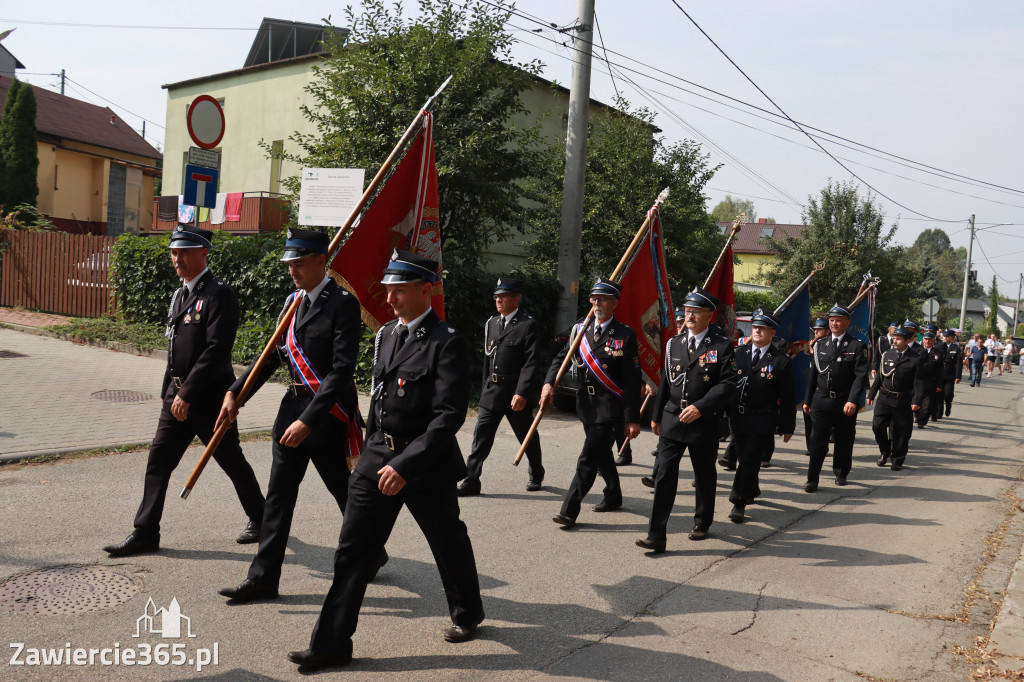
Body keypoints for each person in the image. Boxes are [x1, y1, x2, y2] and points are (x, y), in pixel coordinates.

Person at [288, 249, 484, 671]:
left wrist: (406, 464)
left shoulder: (446, 342)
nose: (390, 298)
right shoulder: (387, 335)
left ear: (425, 289)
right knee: (352, 550)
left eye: (399, 290)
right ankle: (332, 643)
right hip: (378, 455)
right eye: (388, 289)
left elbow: (448, 416)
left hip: (424, 463)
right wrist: (370, 450)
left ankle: (468, 613)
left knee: (447, 540)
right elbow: (379, 400)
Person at [217, 228, 379, 604]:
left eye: (300, 263)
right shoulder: (292, 302)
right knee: (277, 498)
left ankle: (371, 550)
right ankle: (263, 579)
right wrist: (235, 393)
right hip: (290, 411)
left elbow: (341, 371)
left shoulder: (342, 303)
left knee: (344, 492)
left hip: (324, 418)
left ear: (322, 261)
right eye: (290, 263)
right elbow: (272, 356)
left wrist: (309, 420)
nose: (293, 270)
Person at [103, 225, 265, 558]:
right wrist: (169, 394)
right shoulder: (180, 294)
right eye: (174, 252)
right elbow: (175, 349)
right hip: (175, 400)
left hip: (207, 401)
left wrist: (187, 393)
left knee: (231, 460)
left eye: (184, 252)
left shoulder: (219, 294)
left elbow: (217, 350)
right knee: (158, 462)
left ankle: (262, 518)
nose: (177, 258)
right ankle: (145, 532)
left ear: (203, 254)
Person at [636, 287, 737, 552]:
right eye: (688, 311)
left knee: (704, 474)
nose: (689, 316)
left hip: (703, 421)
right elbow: (666, 382)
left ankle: (702, 521)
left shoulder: (722, 346)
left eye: (696, 311)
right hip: (673, 417)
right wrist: (656, 416)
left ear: (708, 315)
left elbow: (728, 384)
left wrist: (701, 407)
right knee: (664, 476)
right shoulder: (674, 343)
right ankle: (656, 535)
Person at [540, 279, 641, 528]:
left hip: (610, 406)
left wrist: (632, 418)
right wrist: (548, 383)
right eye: (594, 299)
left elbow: (631, 380)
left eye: (604, 299)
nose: (598, 303)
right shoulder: (580, 330)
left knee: (587, 457)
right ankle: (614, 494)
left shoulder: (625, 335)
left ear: (615, 303)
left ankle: (569, 510)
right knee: (601, 452)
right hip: (586, 403)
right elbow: (561, 359)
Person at [458, 277, 544, 495]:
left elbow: (531, 362)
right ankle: (471, 479)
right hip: (492, 391)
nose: (498, 300)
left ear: (516, 299)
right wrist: (486, 386)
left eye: (503, 296)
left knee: (527, 436)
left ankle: (536, 472)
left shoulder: (527, 324)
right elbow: (489, 359)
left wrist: (522, 393)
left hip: (515, 392)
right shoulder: (492, 323)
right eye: (496, 296)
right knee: (481, 439)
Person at [725, 309, 794, 524]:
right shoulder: (738, 353)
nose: (757, 330)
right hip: (738, 416)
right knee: (744, 455)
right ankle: (751, 487)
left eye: (762, 328)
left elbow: (788, 396)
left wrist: (787, 426)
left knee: (748, 460)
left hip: (762, 418)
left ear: (772, 332)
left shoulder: (781, 360)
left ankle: (738, 502)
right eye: (755, 327)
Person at [803, 304, 869, 492]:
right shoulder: (820, 344)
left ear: (847, 322)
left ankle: (841, 472)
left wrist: (853, 400)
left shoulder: (857, 345)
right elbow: (813, 375)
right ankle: (812, 478)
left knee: (844, 440)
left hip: (844, 401)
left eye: (838, 320)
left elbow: (860, 376)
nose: (834, 323)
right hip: (821, 399)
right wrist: (807, 400)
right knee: (817, 442)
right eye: (831, 320)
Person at [867, 327, 924, 471]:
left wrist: (917, 401)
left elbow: (919, 382)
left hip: (903, 400)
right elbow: (880, 376)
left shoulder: (916, 358)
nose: (895, 341)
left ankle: (897, 459)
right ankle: (884, 450)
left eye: (898, 339)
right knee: (877, 426)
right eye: (894, 338)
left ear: (907, 340)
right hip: (884, 398)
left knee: (901, 432)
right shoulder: (887, 354)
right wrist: (871, 394)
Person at [801, 317, 830, 457]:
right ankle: (810, 446)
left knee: (820, 422)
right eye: (815, 330)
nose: (817, 332)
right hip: (808, 386)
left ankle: (821, 446)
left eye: (820, 329)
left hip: (822, 389)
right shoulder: (809, 346)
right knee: (807, 419)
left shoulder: (829, 346)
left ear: (827, 331)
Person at [915, 331, 943, 428]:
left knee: (927, 403)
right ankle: (917, 415)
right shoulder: (917, 351)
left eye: (930, 339)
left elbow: (940, 370)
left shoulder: (937, 353)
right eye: (926, 339)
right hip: (917, 382)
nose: (927, 341)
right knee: (917, 401)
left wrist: (939, 385)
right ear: (922, 340)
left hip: (930, 382)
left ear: (933, 341)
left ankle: (921, 422)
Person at [939, 330, 964, 417]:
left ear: (952, 338)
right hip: (939, 374)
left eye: (948, 336)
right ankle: (939, 413)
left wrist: (958, 376)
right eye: (944, 336)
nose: (946, 338)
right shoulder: (939, 346)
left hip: (950, 374)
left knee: (947, 394)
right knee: (939, 395)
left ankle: (948, 406)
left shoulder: (956, 348)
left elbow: (959, 363)